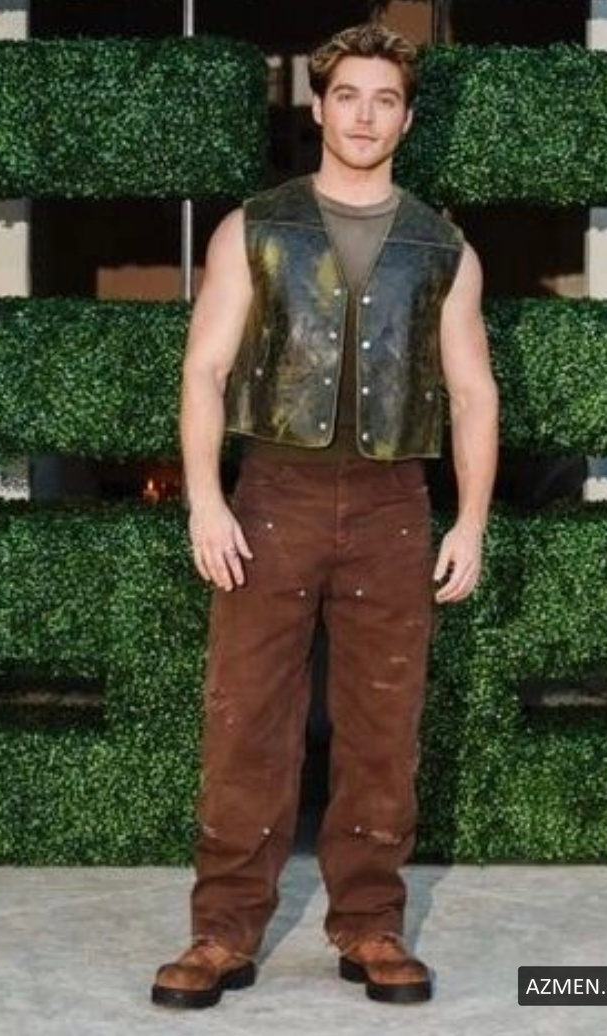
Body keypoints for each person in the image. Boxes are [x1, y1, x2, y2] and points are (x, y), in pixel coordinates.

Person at [152, 22, 498, 1010]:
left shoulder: (443, 247)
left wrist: (469, 522)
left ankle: (370, 923)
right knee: (245, 720)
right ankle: (221, 933)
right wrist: (206, 497)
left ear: (407, 118)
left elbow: (472, 393)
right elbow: (204, 369)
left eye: (385, 100)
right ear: (318, 107)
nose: (364, 116)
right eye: (348, 95)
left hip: (393, 508)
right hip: (274, 498)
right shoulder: (253, 228)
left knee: (383, 724)